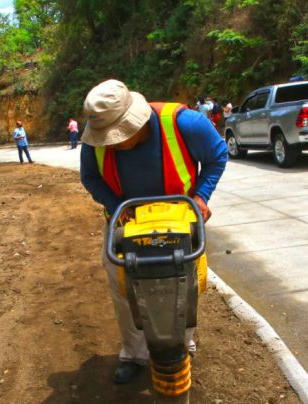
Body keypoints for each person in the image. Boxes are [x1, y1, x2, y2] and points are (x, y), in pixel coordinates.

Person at [79, 79, 228, 384]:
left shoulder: (185, 124)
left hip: (178, 222)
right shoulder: (96, 140)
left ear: (135, 122)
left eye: (116, 137)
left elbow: (217, 156)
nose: (109, 144)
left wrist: (201, 196)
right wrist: (117, 207)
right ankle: (134, 354)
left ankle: (180, 346)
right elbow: (90, 178)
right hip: (126, 224)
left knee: (184, 285)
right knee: (124, 288)